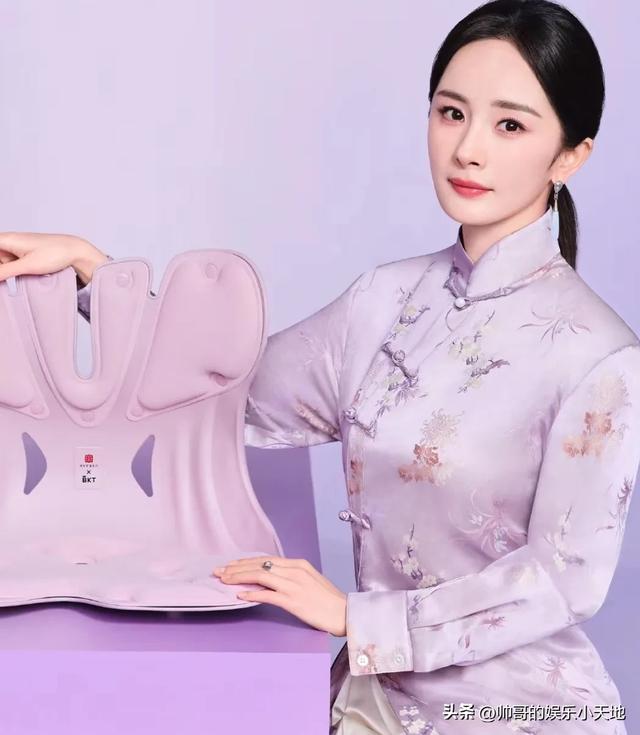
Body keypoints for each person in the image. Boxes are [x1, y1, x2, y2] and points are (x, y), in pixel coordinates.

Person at [0, 1, 637, 732]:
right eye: (451, 113)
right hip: (371, 698)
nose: (468, 149)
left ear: (570, 156)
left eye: (510, 126)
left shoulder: (599, 356)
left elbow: (564, 580)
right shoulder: (386, 299)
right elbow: (229, 392)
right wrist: (94, 275)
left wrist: (358, 617)